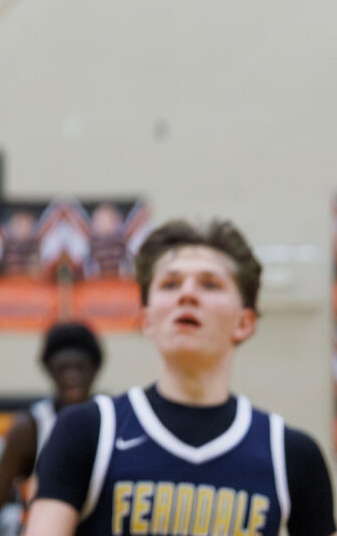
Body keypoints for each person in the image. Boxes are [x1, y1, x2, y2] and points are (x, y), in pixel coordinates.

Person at [25, 219, 336, 536]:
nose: (187, 294)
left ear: (244, 322)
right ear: (147, 320)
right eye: (170, 284)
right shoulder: (88, 431)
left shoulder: (290, 454)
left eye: (210, 284)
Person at [0, 321, 105, 536]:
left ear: (95, 369)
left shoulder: (115, 419)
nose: (72, 376)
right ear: (49, 369)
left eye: (79, 368)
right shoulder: (29, 428)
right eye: (63, 368)